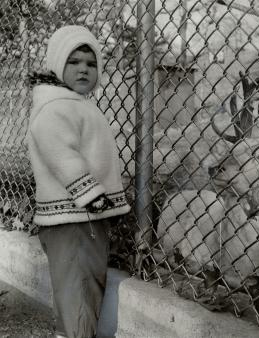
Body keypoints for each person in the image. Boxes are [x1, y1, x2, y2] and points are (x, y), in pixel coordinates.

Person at [27, 25, 131, 338]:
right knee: (81, 287)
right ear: (58, 65)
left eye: (91, 63)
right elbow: (59, 152)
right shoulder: (57, 106)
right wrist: (89, 191)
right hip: (76, 216)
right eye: (74, 62)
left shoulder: (72, 103)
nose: (84, 69)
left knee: (77, 289)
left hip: (80, 216)